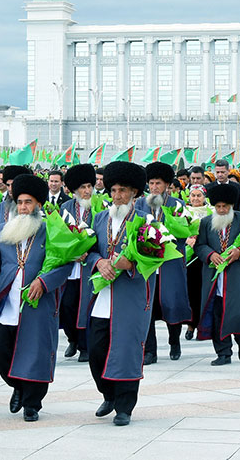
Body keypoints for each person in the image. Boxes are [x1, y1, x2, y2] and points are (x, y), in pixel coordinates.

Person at [0, 174, 72, 422]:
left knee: (36, 353)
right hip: (6, 305)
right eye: (19, 202)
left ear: (39, 204)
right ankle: (17, 385)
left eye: (28, 202)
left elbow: (64, 264)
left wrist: (44, 282)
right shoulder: (1, 231)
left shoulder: (51, 230)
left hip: (38, 305)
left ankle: (32, 404)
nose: (23, 207)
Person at [82, 161, 151, 426]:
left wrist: (130, 265)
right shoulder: (100, 218)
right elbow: (89, 250)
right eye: (113, 190)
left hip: (130, 297)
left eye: (122, 190)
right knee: (96, 351)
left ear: (134, 192)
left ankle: (124, 407)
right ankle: (108, 395)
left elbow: (154, 259)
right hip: (102, 297)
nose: (117, 196)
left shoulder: (147, 221)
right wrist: (99, 262)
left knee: (126, 351)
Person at [136, 162, 191, 363]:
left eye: (158, 183)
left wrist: (166, 240)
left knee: (171, 303)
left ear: (167, 185)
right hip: (148, 264)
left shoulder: (178, 205)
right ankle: (150, 350)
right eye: (151, 183)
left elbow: (184, 233)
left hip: (171, 263)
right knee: (147, 305)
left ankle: (174, 341)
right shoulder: (140, 205)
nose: (154, 187)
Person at [195, 183, 240, 365]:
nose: (221, 210)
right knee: (216, 314)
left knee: (239, 311)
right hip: (214, 278)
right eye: (218, 207)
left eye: (225, 207)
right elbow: (200, 245)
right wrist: (210, 254)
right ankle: (223, 352)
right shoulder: (206, 222)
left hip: (237, 276)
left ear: (231, 205)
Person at [58, 163, 96, 363]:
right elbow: (60, 234)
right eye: (83, 187)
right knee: (68, 305)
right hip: (71, 266)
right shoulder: (65, 208)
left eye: (89, 186)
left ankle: (85, 346)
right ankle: (72, 339)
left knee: (86, 306)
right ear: (74, 190)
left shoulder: (99, 207)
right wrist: (72, 252)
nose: (87, 191)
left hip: (90, 265)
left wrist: (88, 251)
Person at [183, 185, 211, 341]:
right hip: (189, 258)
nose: (195, 198)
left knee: (205, 291)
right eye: (192, 195)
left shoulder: (211, 212)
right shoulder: (183, 212)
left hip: (205, 257)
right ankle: (191, 324)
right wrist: (186, 239)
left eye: (198, 195)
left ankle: (205, 325)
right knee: (191, 292)